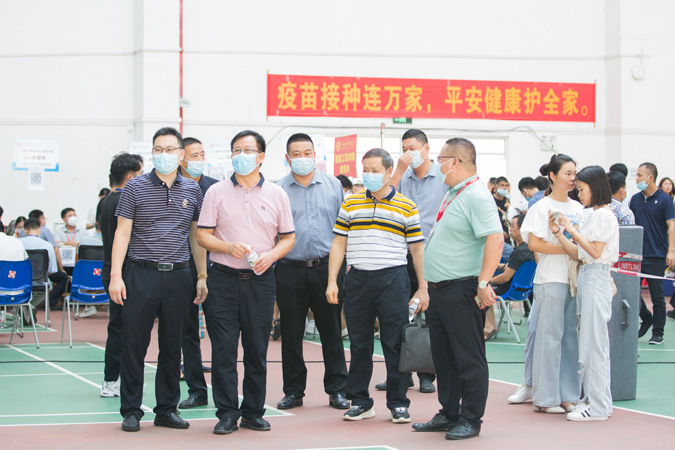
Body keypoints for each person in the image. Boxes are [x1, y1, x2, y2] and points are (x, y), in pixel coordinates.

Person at [109, 127, 207, 432]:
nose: (164, 155)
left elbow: (196, 238)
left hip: (179, 276)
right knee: (134, 344)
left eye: (170, 149)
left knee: (172, 345)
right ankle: (131, 410)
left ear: (181, 154)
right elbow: (122, 233)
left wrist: (201, 275)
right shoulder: (134, 187)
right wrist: (116, 276)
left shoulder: (192, 190)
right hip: (141, 274)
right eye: (158, 149)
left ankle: (166, 409)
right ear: (152, 153)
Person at [197, 130, 295, 435]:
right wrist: (228, 247)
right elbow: (202, 236)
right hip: (223, 279)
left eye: (248, 150)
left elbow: (288, 237)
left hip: (260, 281)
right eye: (237, 150)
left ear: (261, 157)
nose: (242, 156)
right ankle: (227, 413)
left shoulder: (277, 194)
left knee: (256, 350)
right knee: (223, 351)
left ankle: (253, 412)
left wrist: (271, 256)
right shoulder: (216, 192)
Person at [327, 148, 427, 425]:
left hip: (393, 280)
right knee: (359, 344)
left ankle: (398, 403)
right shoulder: (350, 203)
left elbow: (417, 250)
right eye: (365, 170)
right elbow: (339, 243)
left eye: (375, 170)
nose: (369, 175)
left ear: (388, 172)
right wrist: (332, 280)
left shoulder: (406, 206)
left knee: (395, 343)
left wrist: (423, 286)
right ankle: (360, 402)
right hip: (358, 279)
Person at [413, 138, 503, 440]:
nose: (436, 165)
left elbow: (495, 238)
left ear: (455, 162)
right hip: (440, 291)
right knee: (444, 358)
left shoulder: (477, 196)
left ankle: (471, 418)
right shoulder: (455, 193)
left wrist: (483, 282)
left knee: (468, 358)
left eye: (440, 160)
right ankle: (449, 412)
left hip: (462, 290)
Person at [275, 133, 349, 411]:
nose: (303, 158)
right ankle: (294, 391)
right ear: (287, 158)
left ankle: (337, 389)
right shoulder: (278, 189)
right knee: (291, 333)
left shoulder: (333, 185)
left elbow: (343, 229)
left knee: (331, 330)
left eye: (307, 153)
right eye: (296, 154)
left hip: (326, 268)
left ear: (315, 155)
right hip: (289, 269)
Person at [380, 128, 446, 394]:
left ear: (426, 149)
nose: (409, 153)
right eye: (404, 149)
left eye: (413, 148)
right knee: (398, 316)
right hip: (401, 254)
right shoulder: (402, 176)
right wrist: (398, 169)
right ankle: (399, 374)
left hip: (433, 254)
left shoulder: (442, 175)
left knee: (430, 316)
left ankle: (427, 374)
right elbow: (385, 194)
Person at [550, 166, 619, 421]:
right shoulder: (594, 215)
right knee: (590, 343)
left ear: (594, 187)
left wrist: (572, 229)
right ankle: (596, 401)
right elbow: (579, 253)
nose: (579, 194)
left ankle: (597, 406)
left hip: (596, 276)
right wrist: (559, 232)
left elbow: (595, 251)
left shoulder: (603, 216)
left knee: (594, 345)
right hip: (589, 275)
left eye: (581, 189)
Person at [519, 154, 582, 414]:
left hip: (574, 280)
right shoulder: (541, 207)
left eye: (574, 173)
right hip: (550, 279)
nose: (572, 178)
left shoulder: (578, 208)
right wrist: (568, 250)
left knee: (570, 339)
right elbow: (534, 243)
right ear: (553, 176)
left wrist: (574, 250)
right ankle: (545, 398)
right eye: (567, 173)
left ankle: (568, 395)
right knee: (549, 337)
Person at [176, 136, 218, 410]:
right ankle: (197, 390)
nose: (199, 159)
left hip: (215, 267)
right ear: (181, 158)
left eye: (202, 154)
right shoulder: (172, 187)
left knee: (220, 330)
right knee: (187, 331)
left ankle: (224, 391)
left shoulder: (216, 188)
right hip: (182, 268)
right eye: (194, 155)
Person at [98, 152, 143, 398]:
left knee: (122, 327)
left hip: (113, 269)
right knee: (121, 329)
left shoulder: (105, 201)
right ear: (130, 177)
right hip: (122, 272)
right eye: (140, 174)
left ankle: (116, 379)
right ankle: (111, 380)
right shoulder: (123, 202)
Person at [630, 162, 675, 343]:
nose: (637, 179)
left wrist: (671, 251)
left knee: (657, 296)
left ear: (650, 177)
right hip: (635, 255)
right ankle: (646, 317)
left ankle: (658, 332)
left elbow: (671, 226)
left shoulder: (665, 200)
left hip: (656, 255)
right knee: (632, 293)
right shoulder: (635, 199)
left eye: (639, 175)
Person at [483, 214, 535, 340]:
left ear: (522, 228)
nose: (509, 229)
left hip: (508, 290)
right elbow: (513, 268)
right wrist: (498, 265)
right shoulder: (531, 249)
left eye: (512, 226)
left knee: (482, 289)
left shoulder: (518, 252)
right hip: (524, 290)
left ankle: (489, 325)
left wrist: (486, 282)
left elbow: (505, 277)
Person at [19, 218, 69, 312]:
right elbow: (51, 270)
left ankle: (25, 307)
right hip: (41, 281)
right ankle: (31, 307)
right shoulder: (47, 245)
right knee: (62, 278)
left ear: (25, 230)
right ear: (39, 229)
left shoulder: (18, 243)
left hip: (21, 282)